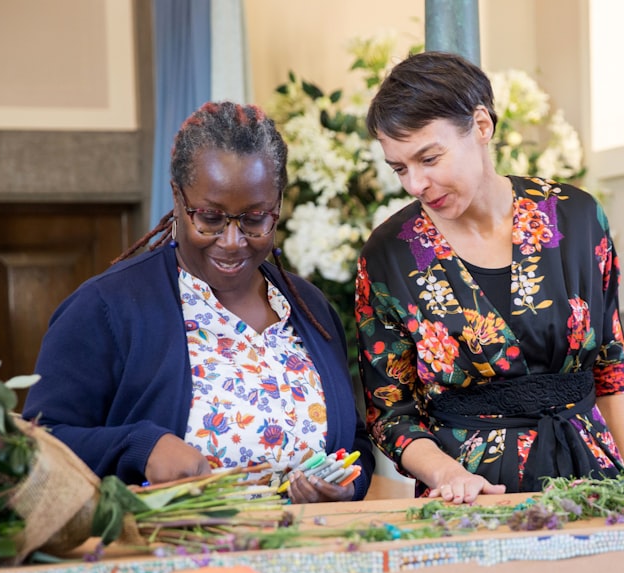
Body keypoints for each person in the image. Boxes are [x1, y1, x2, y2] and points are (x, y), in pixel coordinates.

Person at [23, 101, 374, 502]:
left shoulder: (309, 307)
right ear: (177, 198)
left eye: (255, 218)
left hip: (314, 552)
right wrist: (141, 446)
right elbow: (38, 441)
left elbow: (355, 442)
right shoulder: (107, 307)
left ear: (277, 206)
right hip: (171, 556)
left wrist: (346, 485)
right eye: (209, 217)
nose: (232, 240)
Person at [356, 51, 624, 504]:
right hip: (468, 495)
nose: (414, 184)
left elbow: (610, 368)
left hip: (594, 478)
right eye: (400, 168)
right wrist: (450, 476)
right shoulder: (390, 254)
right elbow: (391, 412)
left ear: (482, 126)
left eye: (429, 158)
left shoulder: (577, 218)